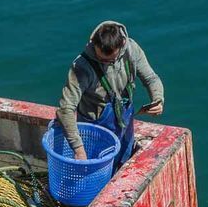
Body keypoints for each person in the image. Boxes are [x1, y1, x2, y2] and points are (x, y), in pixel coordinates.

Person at [56, 21, 164, 170]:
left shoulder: (132, 49)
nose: (106, 63)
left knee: (123, 162)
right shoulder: (82, 67)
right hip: (96, 126)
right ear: (94, 45)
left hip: (124, 118)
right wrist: (78, 149)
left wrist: (157, 99)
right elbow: (65, 109)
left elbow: (151, 78)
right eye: (102, 59)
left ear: (123, 43)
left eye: (111, 59)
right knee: (97, 169)